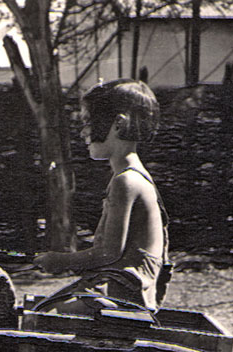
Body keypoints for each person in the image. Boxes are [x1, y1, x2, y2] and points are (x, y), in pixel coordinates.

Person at [33, 78, 169, 316]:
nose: (83, 132)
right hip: (120, 288)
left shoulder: (126, 181)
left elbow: (108, 253)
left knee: (42, 316)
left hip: (124, 294)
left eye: (88, 122)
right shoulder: (131, 177)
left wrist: (59, 261)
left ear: (118, 123)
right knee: (40, 308)